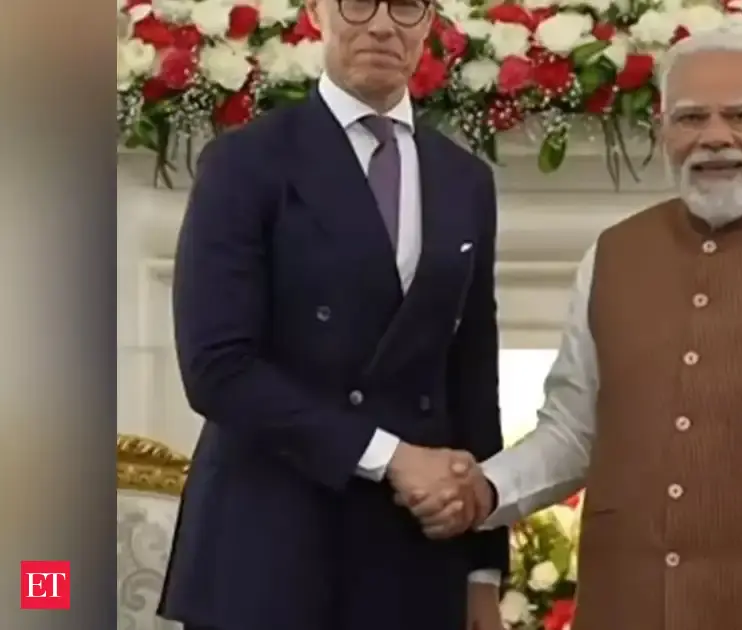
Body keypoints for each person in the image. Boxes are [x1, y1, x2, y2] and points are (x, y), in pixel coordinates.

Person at [409, 30, 742, 630]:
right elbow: (574, 434)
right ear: (661, 131)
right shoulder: (612, 256)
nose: (715, 136)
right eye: (691, 118)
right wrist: (483, 489)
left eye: (740, 116)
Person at [158, 0, 506, 628]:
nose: (382, 25)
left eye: (405, 7)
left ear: (430, 22)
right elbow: (217, 368)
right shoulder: (246, 161)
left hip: (413, 558)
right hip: (269, 550)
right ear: (318, 12)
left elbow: (473, 377)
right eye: (358, 2)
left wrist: (482, 570)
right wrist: (392, 457)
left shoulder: (466, 180)